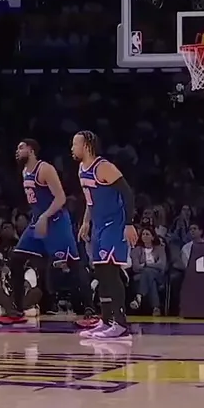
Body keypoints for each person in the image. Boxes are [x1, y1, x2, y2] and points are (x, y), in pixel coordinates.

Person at [3, 139, 93, 325]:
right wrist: (39, 218)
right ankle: (17, 309)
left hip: (57, 221)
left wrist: (45, 216)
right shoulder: (25, 171)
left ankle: (90, 310)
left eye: (21, 147)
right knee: (16, 259)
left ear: (32, 150)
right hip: (38, 220)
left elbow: (60, 198)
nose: (17, 151)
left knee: (73, 264)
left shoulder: (45, 169)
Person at [73, 131, 137, 341]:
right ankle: (107, 321)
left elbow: (127, 193)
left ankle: (121, 324)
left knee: (110, 272)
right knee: (100, 273)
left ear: (86, 146)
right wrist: (86, 221)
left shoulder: (103, 167)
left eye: (75, 144)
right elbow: (90, 201)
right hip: (98, 226)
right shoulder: (82, 169)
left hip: (114, 225)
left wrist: (129, 224)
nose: (72, 148)